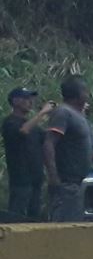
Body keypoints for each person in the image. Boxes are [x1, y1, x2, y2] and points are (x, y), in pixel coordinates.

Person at [44, 77, 93, 222]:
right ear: (77, 94)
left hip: (81, 182)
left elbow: (82, 148)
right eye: (85, 90)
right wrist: (53, 176)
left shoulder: (79, 116)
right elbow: (49, 143)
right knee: (65, 224)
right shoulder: (63, 113)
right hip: (67, 183)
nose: (88, 94)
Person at [3, 87, 54, 220]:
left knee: (34, 217)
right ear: (15, 101)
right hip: (20, 180)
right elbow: (23, 131)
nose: (30, 102)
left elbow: (48, 140)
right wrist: (42, 113)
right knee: (16, 217)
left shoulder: (34, 127)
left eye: (30, 98)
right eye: (26, 98)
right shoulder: (10, 122)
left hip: (36, 179)